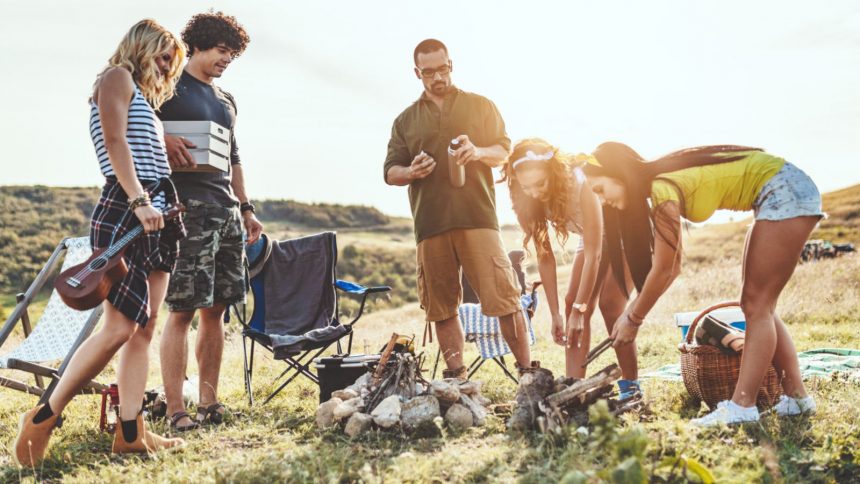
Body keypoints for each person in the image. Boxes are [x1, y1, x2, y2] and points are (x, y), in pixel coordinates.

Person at [13, 19, 187, 466]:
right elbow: (114, 143)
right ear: (141, 46)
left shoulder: (144, 98)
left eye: (173, 61)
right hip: (130, 206)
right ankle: (43, 417)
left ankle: (131, 432)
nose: (167, 67)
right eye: (163, 56)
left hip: (160, 209)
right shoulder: (116, 77)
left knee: (144, 329)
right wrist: (140, 200)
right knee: (118, 328)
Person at [582, 142, 823, 426]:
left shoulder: (662, 188)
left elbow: (663, 269)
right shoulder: (661, 189)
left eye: (601, 190)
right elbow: (672, 267)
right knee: (756, 305)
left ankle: (742, 405)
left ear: (620, 175)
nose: (601, 200)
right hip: (780, 192)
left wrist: (633, 318)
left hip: (785, 192)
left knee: (757, 305)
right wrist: (631, 314)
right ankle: (797, 399)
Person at [384, 39, 535, 380]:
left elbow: (503, 151)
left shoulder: (480, 106)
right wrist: (412, 172)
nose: (437, 77)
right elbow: (390, 172)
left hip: (478, 218)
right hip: (431, 224)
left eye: (442, 69)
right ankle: (458, 381)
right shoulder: (405, 120)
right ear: (417, 73)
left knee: (505, 298)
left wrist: (478, 152)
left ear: (451, 65)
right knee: (441, 307)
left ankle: (528, 374)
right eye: (428, 72)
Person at [158, 11, 261, 432]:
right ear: (198, 44)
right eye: (222, 51)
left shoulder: (226, 100)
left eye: (232, 55)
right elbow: (130, 125)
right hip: (185, 211)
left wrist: (247, 208)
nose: (226, 60)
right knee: (182, 309)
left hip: (225, 213)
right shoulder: (167, 85)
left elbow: (234, 159)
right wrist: (163, 138)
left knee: (217, 310)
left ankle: (209, 403)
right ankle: (174, 409)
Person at [502, 139, 640, 398]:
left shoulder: (580, 181)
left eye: (540, 184)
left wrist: (580, 308)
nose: (533, 192)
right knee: (569, 304)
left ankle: (631, 388)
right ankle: (574, 389)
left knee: (610, 304)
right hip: (593, 240)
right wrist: (556, 314)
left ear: (552, 172)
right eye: (526, 186)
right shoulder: (529, 200)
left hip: (629, 232)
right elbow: (545, 256)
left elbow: (594, 254)